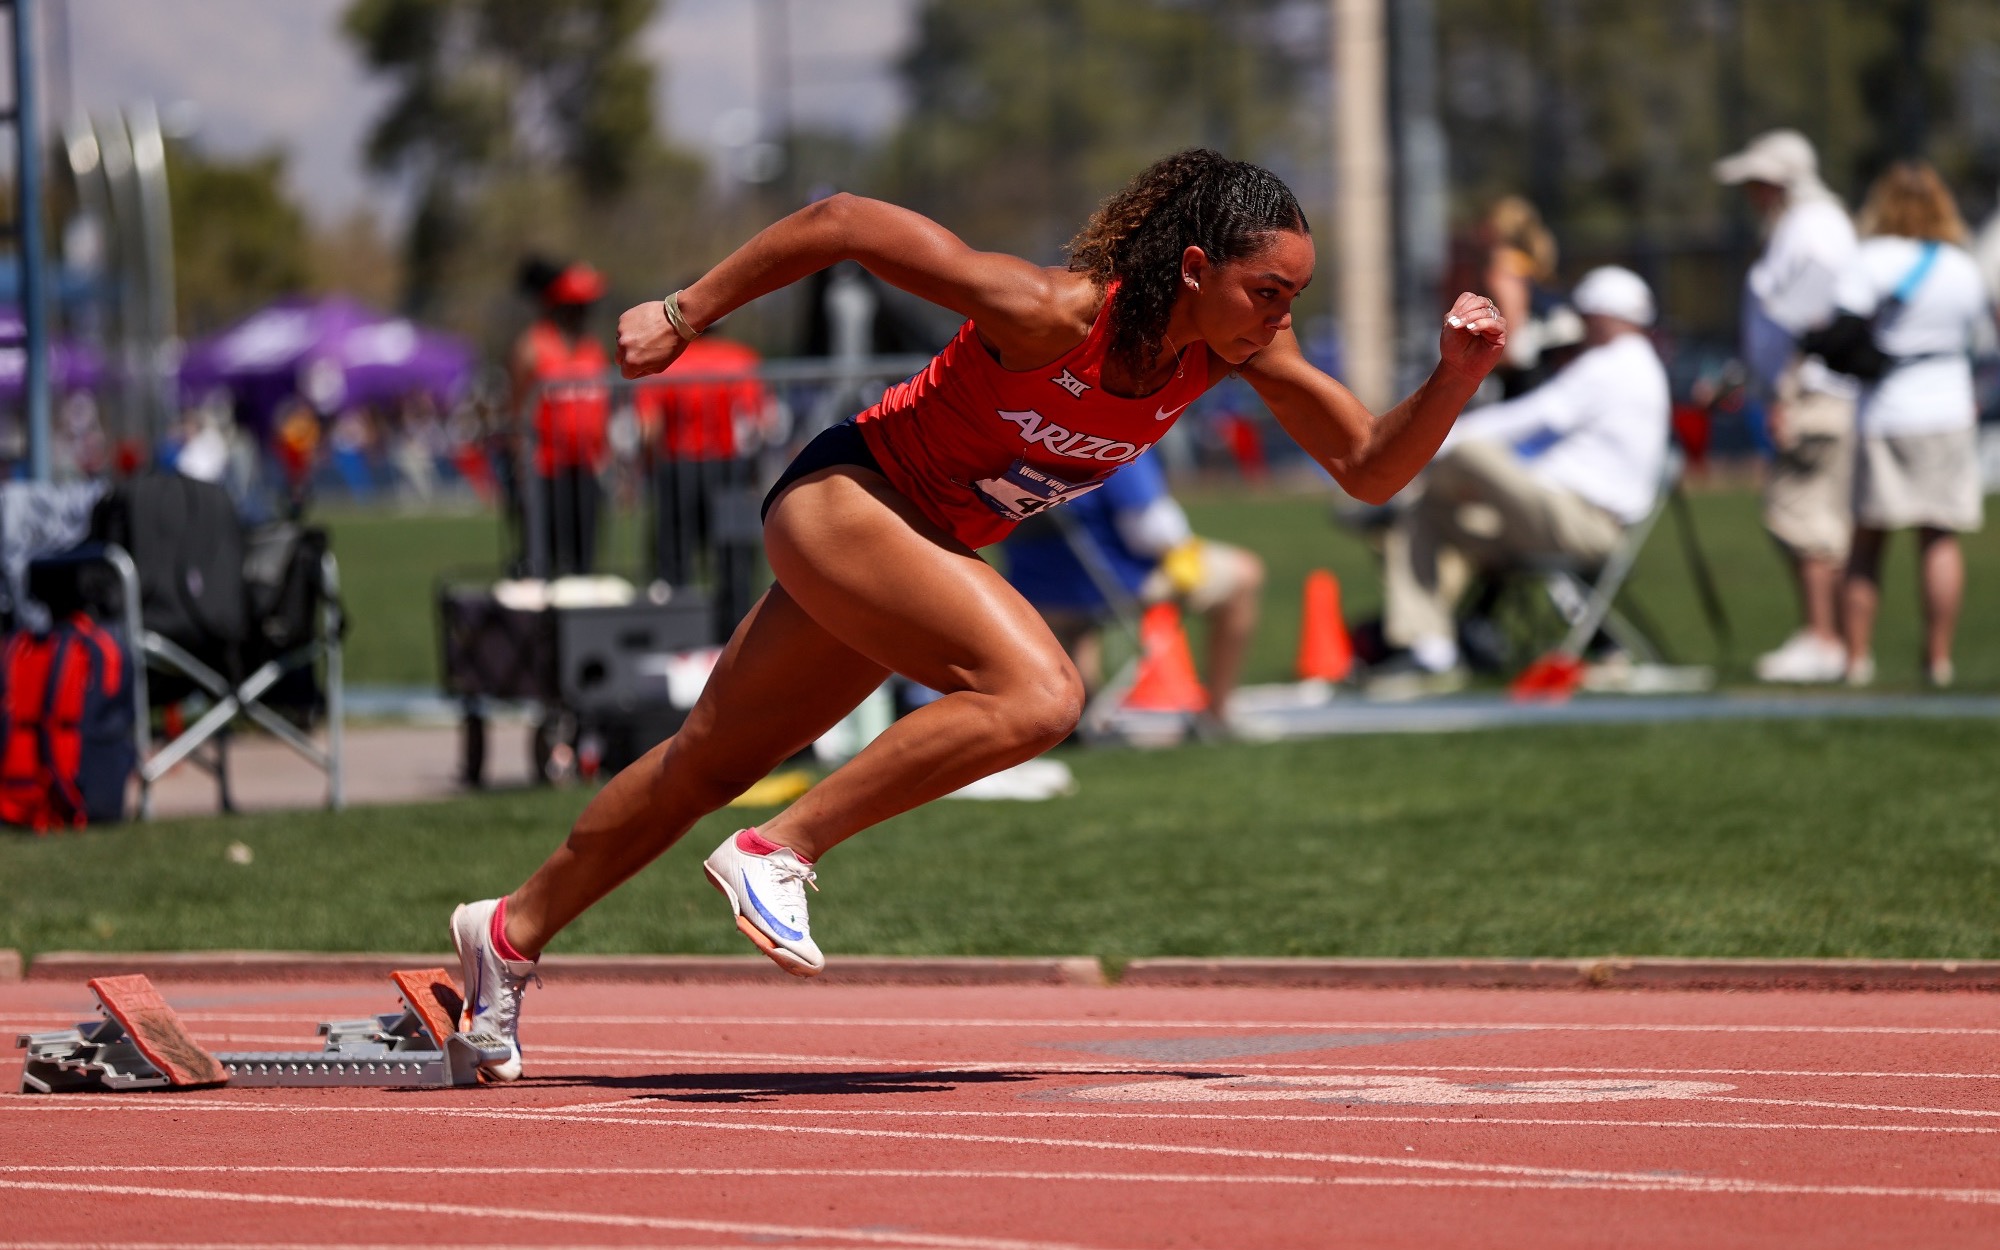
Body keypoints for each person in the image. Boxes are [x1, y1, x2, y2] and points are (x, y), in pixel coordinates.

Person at [448, 149, 1506, 1081]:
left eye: (1291, 299)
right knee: (1041, 693)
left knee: (705, 762)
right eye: (1266, 292)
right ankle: (783, 849)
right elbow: (845, 221)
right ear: (1192, 269)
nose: (1281, 319)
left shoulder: (1233, 354)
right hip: (845, 499)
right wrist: (685, 312)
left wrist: (1452, 379)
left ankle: (507, 929)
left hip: (912, 547)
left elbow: (1368, 465)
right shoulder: (1046, 310)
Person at [1369, 266, 1669, 695]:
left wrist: (1433, 436)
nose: (1581, 326)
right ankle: (1432, 652)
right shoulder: (1637, 366)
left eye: (1586, 316)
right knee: (1426, 511)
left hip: (1581, 524)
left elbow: (1536, 416)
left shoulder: (1614, 363)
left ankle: (1395, 477)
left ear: (1604, 315)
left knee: (1467, 453)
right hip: (1558, 517)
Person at [1824, 161, 1993, 689]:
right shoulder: (1963, 267)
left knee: (1868, 540)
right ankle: (1938, 659)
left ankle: (1855, 660)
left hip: (1888, 409)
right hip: (1948, 407)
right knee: (1939, 536)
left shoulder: (1870, 259)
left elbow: (1841, 332)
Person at [1714, 130, 1860, 684]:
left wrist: (1788, 392)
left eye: (1756, 181)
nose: (1750, 192)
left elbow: (1813, 314)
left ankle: (1823, 638)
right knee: (1815, 517)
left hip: (1813, 392)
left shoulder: (1813, 226)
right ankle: (1839, 642)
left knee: (1800, 516)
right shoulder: (1806, 225)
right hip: (1809, 387)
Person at [1000, 447, 1265, 733]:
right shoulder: (1115, 441)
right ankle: (1217, 714)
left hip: (1032, 596)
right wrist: (1180, 547)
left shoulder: (1015, 445)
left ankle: (1079, 716)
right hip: (1110, 589)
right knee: (1246, 573)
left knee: (1078, 597)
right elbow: (1152, 531)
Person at [512, 258, 612, 577]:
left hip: (584, 468)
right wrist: (520, 466)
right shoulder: (532, 347)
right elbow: (515, 410)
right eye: (577, 304)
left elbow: (602, 406)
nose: (584, 312)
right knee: (542, 557)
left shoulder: (593, 349)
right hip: (544, 468)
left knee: (584, 556)